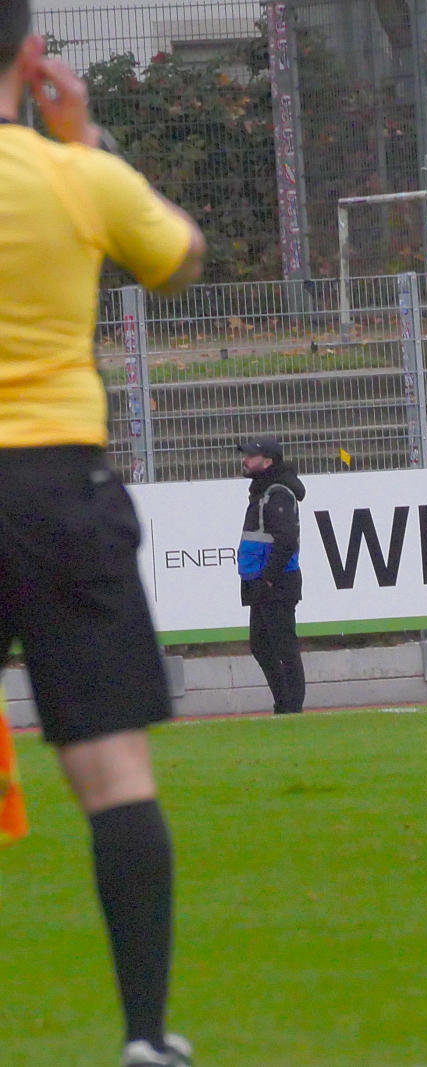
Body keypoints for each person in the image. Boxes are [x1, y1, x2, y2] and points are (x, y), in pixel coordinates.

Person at [0, 5, 206, 1064]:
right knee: (113, 772)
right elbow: (179, 257)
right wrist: (83, 138)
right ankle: (143, 1036)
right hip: (56, 487)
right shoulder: (74, 174)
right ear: (31, 56)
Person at [238, 435, 307, 716]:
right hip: (262, 580)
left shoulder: (276, 493)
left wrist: (267, 577)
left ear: (267, 462)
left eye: (251, 456)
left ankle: (291, 707)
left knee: (283, 647)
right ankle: (284, 703)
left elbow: (286, 540)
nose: (245, 460)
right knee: (261, 645)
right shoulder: (263, 490)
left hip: (276, 582)